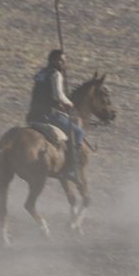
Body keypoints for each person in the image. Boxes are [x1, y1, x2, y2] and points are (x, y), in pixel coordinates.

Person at [25, 48, 87, 179]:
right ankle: (72, 168)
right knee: (78, 132)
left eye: (64, 61)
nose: (64, 64)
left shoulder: (41, 73)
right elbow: (58, 95)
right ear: (54, 60)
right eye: (61, 61)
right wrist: (69, 103)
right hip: (49, 115)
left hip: (33, 114)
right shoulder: (56, 74)